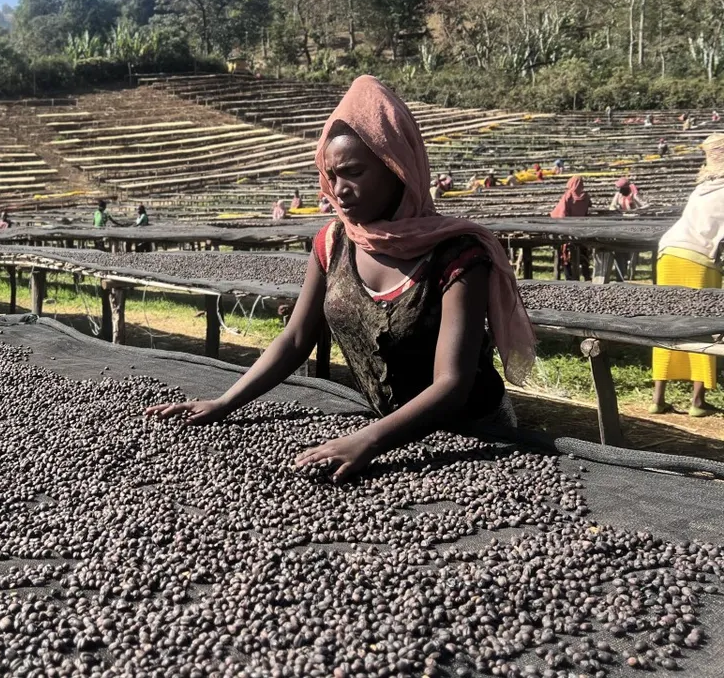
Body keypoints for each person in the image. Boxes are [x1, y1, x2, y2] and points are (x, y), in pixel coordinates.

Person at [145, 75, 534, 482]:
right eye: (331, 176)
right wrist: (224, 403)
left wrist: (366, 441)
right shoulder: (333, 242)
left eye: (353, 172)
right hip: (384, 431)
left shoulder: (457, 255)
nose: (339, 190)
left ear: (396, 167)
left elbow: (452, 384)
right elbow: (296, 339)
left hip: (476, 437)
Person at [651, 134, 724, 417]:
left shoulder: (702, 189)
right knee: (702, 327)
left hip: (669, 254)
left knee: (667, 325)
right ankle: (697, 402)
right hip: (697, 258)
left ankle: (658, 399)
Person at [550, 176, 593, 281]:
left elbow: (561, 213)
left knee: (566, 254)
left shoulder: (568, 196)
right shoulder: (586, 197)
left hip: (568, 229)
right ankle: (586, 275)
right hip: (581, 230)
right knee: (583, 253)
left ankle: (569, 277)